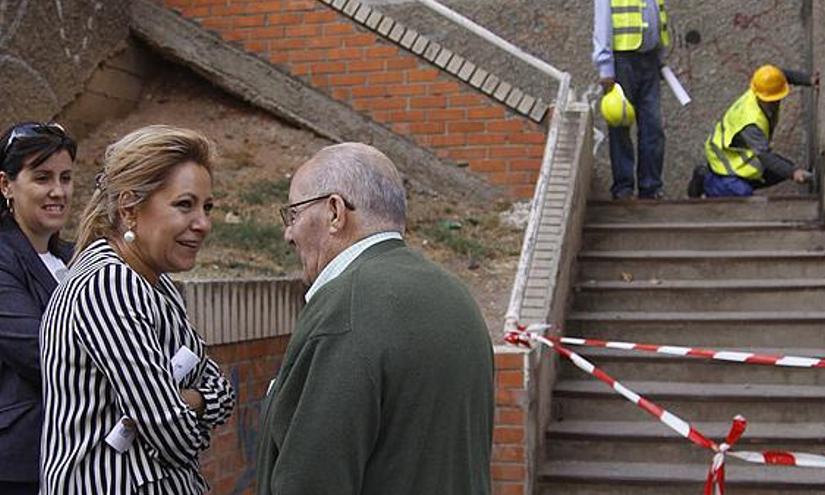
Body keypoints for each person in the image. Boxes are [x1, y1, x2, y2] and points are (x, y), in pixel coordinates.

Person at [256, 143, 494, 495]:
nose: (288, 234)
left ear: (335, 212)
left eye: (293, 215)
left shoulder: (344, 308)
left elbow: (310, 481)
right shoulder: (456, 296)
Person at [40, 125, 235, 494]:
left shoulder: (156, 285)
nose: (203, 224)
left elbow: (223, 390)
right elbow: (175, 437)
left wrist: (191, 400)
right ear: (130, 209)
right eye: (184, 204)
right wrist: (187, 403)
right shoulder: (109, 285)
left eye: (207, 207)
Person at [0, 122, 76, 495]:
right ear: (6, 185)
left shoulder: (77, 258)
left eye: (66, 178)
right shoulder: (2, 258)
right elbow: (40, 352)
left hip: (77, 457)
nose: (57, 192)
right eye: (42, 177)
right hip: (21, 464)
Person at [688, 64, 816, 198]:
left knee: (782, 170)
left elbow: (780, 76)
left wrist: (809, 80)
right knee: (743, 193)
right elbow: (765, 156)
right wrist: (793, 173)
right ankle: (706, 182)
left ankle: (735, 182)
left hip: (737, 153)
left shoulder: (760, 87)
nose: (778, 100)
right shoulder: (752, 123)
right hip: (722, 161)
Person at [593, 0, 669, 199]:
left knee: (653, 128)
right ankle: (623, 188)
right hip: (622, 61)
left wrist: (660, 58)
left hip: (649, 60)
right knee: (620, 126)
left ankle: (650, 187)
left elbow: (658, 18)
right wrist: (605, 66)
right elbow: (602, 24)